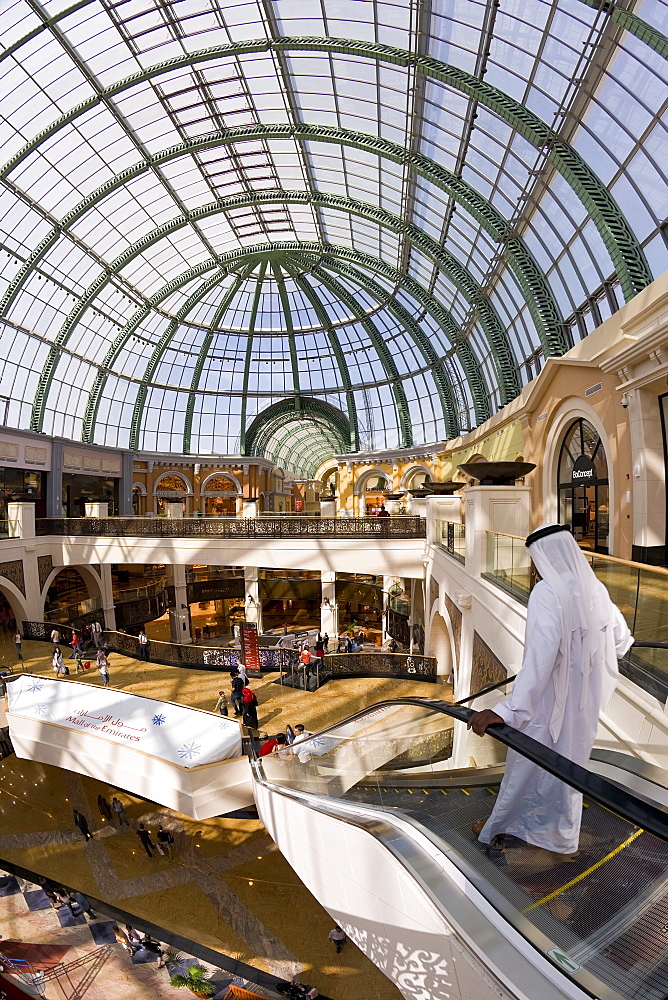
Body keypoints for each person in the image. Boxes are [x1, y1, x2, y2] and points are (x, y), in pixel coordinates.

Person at [467, 524, 633, 857]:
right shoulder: (595, 589)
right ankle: (559, 835)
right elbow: (621, 641)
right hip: (582, 709)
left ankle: (505, 828)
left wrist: (509, 710)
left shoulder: (547, 593)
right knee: (568, 771)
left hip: (546, 707)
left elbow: (538, 663)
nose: (533, 568)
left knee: (526, 768)